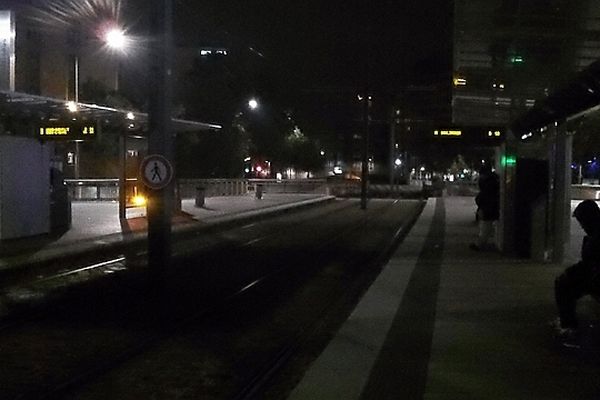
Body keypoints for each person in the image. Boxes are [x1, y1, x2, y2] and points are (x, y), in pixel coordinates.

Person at [553, 200, 600, 339]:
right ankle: (567, 323)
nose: (581, 226)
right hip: (594, 272)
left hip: (595, 275)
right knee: (566, 281)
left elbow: (590, 261)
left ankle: (568, 326)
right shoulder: (595, 231)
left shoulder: (596, 236)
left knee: (563, 284)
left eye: (581, 222)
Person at [470, 164, 500, 250]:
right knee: (490, 225)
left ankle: (480, 244)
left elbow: (484, 195)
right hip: (492, 206)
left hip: (488, 207)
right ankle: (484, 243)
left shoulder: (486, 183)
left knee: (485, 226)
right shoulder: (495, 180)